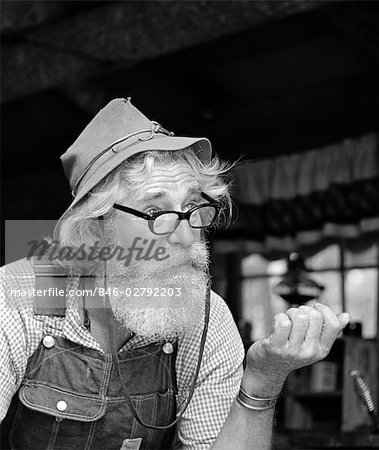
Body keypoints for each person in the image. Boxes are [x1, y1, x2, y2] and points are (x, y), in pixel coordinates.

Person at [0, 98, 350, 450]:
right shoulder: (25, 293)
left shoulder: (201, 315)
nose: (187, 237)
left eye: (192, 208)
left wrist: (261, 379)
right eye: (155, 212)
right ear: (94, 229)